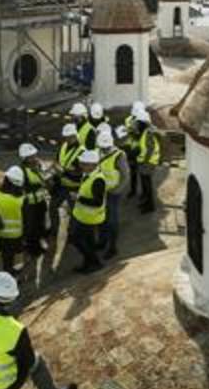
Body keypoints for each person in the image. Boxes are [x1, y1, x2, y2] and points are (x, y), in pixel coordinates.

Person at [69, 150, 107, 274]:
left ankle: (95, 262)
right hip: (83, 216)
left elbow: (98, 202)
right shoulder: (89, 174)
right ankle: (88, 264)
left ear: (92, 165)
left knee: (76, 239)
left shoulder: (98, 180)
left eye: (84, 163)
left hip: (89, 218)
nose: (81, 165)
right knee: (89, 242)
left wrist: (78, 198)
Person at [96, 130, 129, 259]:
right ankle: (102, 242)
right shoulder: (99, 152)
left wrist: (116, 190)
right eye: (102, 147)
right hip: (101, 191)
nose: (103, 149)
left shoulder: (119, 155)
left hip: (113, 193)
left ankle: (112, 247)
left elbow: (125, 176)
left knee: (112, 221)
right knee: (101, 219)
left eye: (105, 147)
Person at [50, 124, 84, 240]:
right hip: (61, 185)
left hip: (74, 187)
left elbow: (79, 174)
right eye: (66, 137)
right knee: (53, 207)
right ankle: (55, 230)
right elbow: (57, 160)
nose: (67, 139)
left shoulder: (82, 151)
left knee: (75, 213)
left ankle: (73, 234)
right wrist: (57, 167)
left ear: (75, 135)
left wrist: (63, 172)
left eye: (70, 137)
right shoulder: (64, 146)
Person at [17, 144, 49, 256]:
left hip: (40, 201)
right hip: (29, 204)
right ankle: (32, 248)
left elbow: (45, 178)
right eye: (30, 157)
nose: (34, 158)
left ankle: (38, 243)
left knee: (40, 225)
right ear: (24, 158)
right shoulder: (21, 171)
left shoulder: (39, 165)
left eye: (34, 155)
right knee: (30, 227)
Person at [0, 167, 26, 274]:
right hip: (16, 236)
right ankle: (12, 276)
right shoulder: (21, 200)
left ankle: (4, 274)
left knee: (4, 258)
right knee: (13, 260)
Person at [132, 110, 163, 214]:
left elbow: (150, 149)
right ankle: (146, 202)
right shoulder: (145, 131)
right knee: (145, 185)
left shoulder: (148, 133)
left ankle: (150, 206)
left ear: (142, 122)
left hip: (148, 163)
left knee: (147, 185)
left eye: (138, 122)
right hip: (146, 162)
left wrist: (143, 161)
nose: (136, 124)